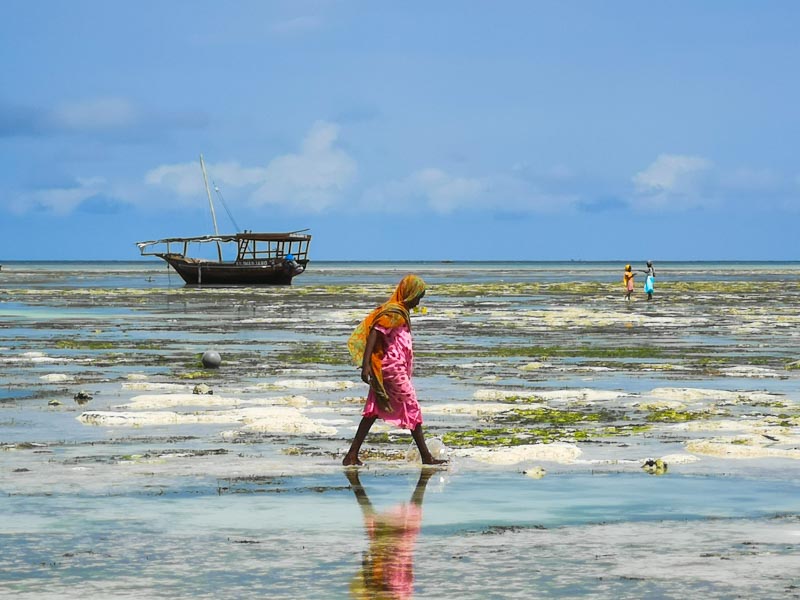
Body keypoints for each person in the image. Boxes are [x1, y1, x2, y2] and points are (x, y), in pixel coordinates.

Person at [343, 274, 447, 466]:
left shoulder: (399, 313)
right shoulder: (394, 314)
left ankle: (351, 455)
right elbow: (374, 333)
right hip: (391, 368)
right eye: (417, 297)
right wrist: (366, 365)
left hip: (391, 368)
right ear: (409, 294)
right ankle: (426, 457)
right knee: (412, 407)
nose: (418, 302)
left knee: (374, 409)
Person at [346, 468, 433, 598]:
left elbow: (371, 573)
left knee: (372, 512)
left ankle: (424, 478)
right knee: (372, 512)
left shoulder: (393, 590)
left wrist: (368, 563)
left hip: (391, 560)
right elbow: (371, 573)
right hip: (392, 560)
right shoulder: (397, 590)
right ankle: (424, 478)